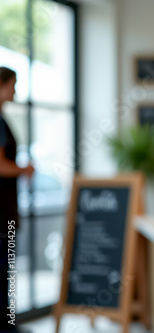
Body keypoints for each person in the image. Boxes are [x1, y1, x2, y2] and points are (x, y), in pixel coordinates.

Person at [0, 67, 34, 333]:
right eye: (13, 84)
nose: (16, 91)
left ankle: (8, 324)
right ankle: (7, 326)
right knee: (3, 270)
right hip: (2, 213)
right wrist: (25, 169)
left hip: (5, 210)